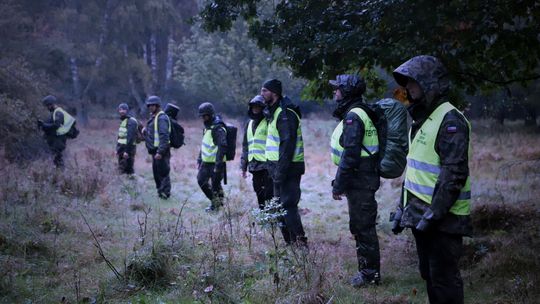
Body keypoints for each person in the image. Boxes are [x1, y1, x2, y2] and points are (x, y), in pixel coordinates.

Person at [391, 55, 472, 304]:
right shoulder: (421, 120)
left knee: (444, 280)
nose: (408, 90)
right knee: (429, 275)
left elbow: (453, 175)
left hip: (443, 221)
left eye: (413, 83)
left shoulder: (450, 120)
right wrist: (401, 209)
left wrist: (433, 215)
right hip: (421, 217)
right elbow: (415, 171)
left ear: (430, 84)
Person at [329, 74, 381, 287]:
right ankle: (368, 272)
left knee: (363, 227)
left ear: (347, 92)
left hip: (360, 180)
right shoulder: (358, 112)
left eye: (337, 88)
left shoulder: (353, 116)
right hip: (362, 178)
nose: (334, 92)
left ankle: (370, 275)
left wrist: (338, 185)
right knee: (361, 226)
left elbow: (350, 154)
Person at [261, 79, 307, 246]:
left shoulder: (285, 113)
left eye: (264, 91)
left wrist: (280, 172)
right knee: (279, 208)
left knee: (288, 206)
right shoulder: (274, 112)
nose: (262, 94)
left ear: (274, 93)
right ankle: (290, 243)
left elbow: (288, 145)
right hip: (279, 167)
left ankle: (301, 244)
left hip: (289, 168)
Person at [240, 95, 273, 209]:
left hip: (268, 164)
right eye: (253, 107)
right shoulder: (248, 124)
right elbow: (245, 146)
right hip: (254, 165)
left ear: (263, 108)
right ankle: (263, 214)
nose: (255, 109)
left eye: (258, 107)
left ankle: (272, 216)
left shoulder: (269, 122)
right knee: (258, 191)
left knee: (269, 193)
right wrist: (243, 167)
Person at [197, 102, 227, 212]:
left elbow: (222, 146)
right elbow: (204, 144)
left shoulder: (218, 128)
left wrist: (218, 164)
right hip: (205, 162)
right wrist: (199, 158)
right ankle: (217, 202)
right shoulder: (207, 127)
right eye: (202, 116)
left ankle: (216, 206)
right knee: (201, 181)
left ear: (211, 114)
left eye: (205, 116)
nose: (203, 118)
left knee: (215, 186)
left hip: (216, 163)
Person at [144, 95, 171, 199]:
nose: (150, 107)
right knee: (157, 174)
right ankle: (160, 193)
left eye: (152, 105)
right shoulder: (154, 117)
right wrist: (145, 131)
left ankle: (165, 195)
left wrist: (160, 152)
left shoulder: (162, 118)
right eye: (149, 105)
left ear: (157, 106)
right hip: (155, 151)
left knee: (163, 173)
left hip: (161, 151)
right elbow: (154, 132)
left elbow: (164, 136)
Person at [37, 95, 75, 168]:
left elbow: (56, 125)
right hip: (57, 138)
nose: (47, 108)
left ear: (51, 104)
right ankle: (60, 174)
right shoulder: (55, 112)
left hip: (59, 139)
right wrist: (43, 125)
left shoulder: (58, 112)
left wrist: (44, 125)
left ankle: (61, 174)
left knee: (58, 158)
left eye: (47, 106)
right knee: (57, 158)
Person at [116, 103, 138, 175]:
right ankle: (125, 185)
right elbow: (120, 136)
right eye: (120, 109)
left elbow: (130, 138)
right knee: (122, 169)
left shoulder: (131, 121)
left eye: (124, 109)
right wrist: (117, 149)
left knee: (129, 169)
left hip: (128, 149)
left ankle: (132, 184)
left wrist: (127, 151)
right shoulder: (123, 121)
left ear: (127, 110)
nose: (121, 111)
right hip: (121, 148)